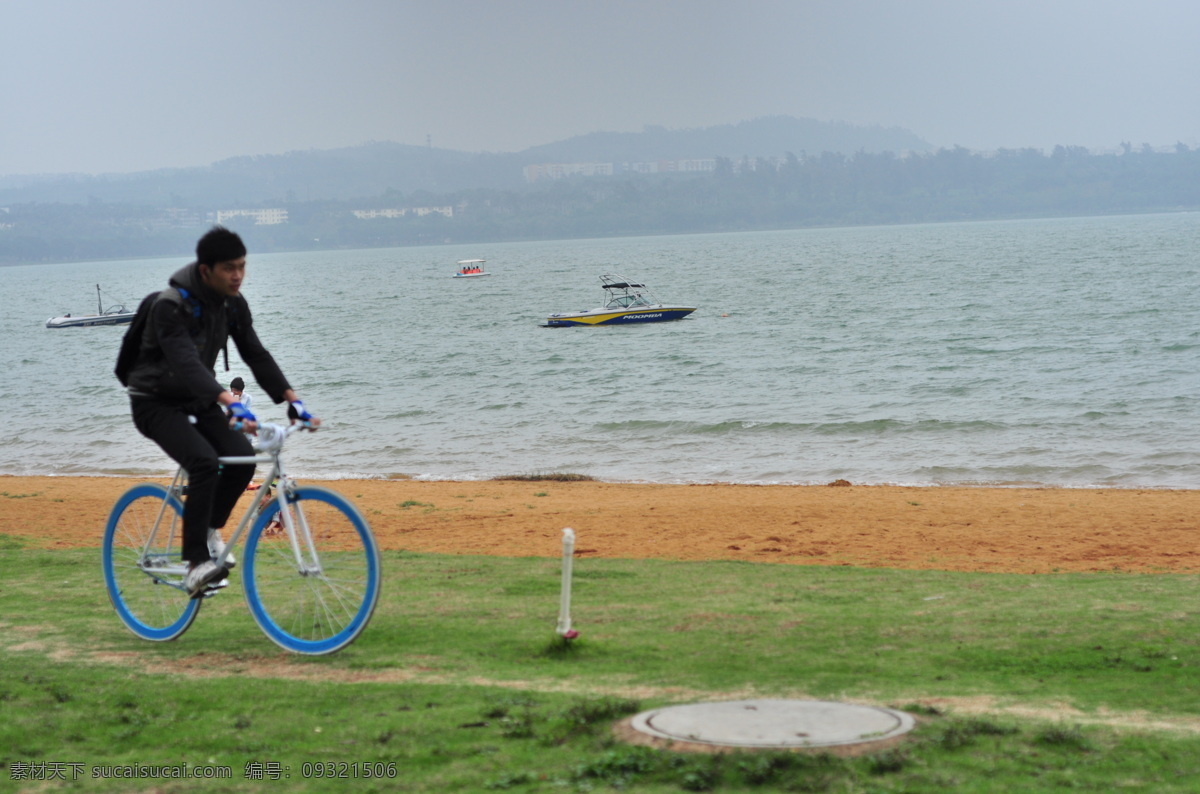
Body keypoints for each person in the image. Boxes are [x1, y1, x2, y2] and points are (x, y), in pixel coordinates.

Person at [124, 226, 320, 597]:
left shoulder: (233, 304)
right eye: (229, 268)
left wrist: (292, 399)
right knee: (202, 462)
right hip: (154, 402)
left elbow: (255, 354)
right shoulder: (171, 306)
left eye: (242, 267)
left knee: (242, 461)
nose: (237, 276)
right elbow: (185, 363)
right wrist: (229, 400)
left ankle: (210, 530)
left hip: (201, 400)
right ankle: (196, 563)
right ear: (205, 271)